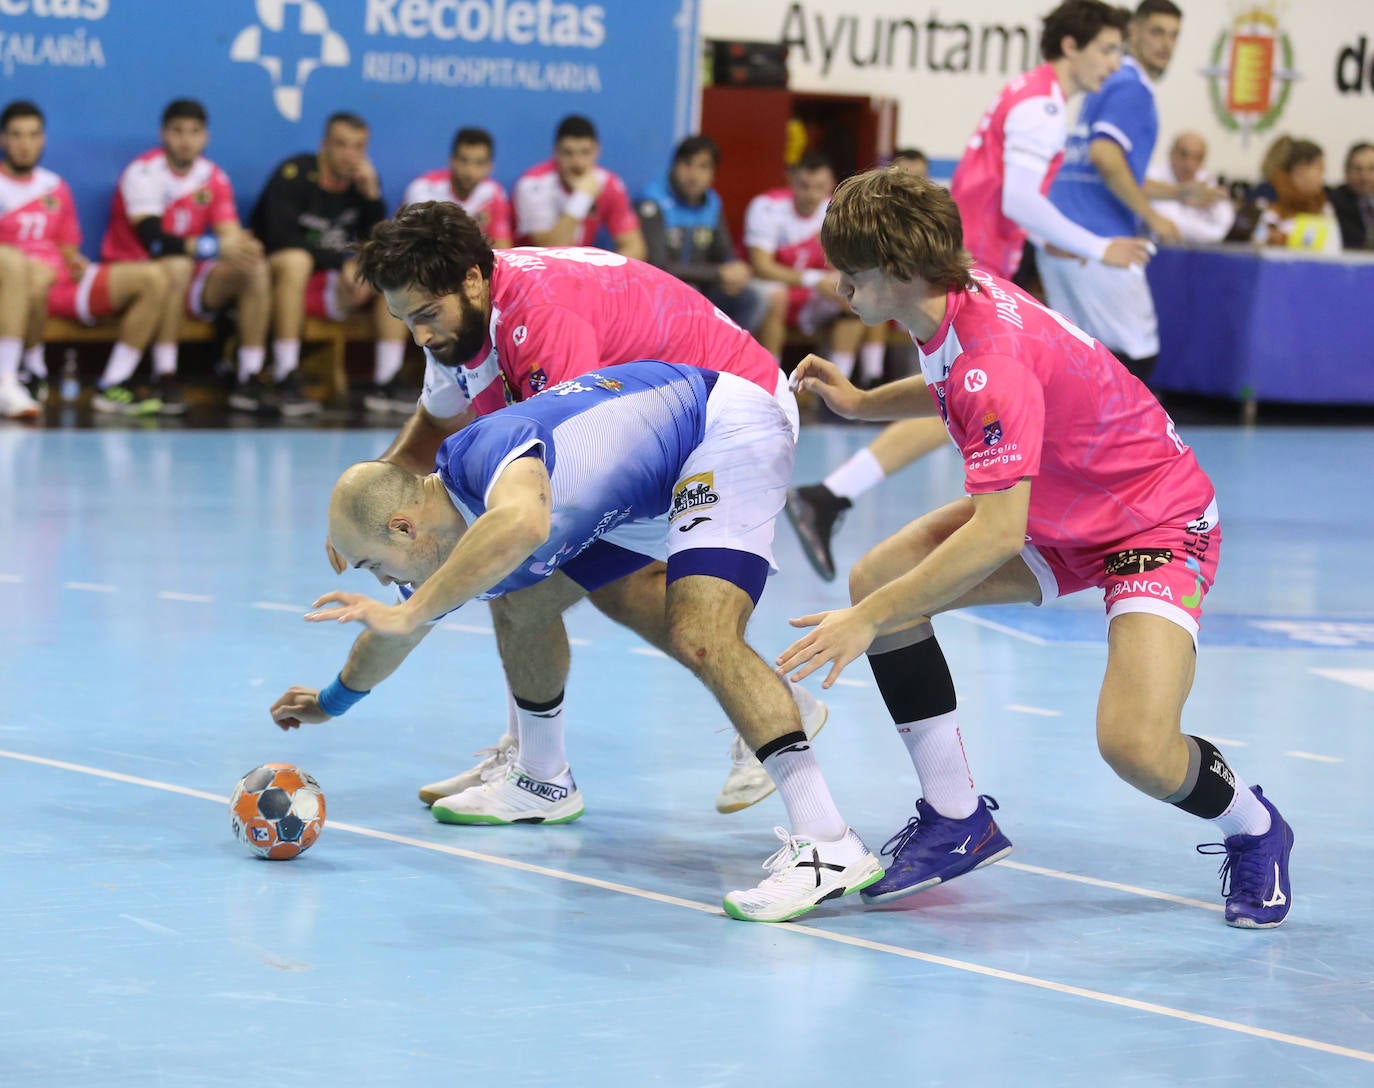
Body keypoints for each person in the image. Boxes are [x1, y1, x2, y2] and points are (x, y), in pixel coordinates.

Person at [776, 166, 1294, 930]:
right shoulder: (951, 299)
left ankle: (1255, 827)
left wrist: (864, 623)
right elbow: (953, 383)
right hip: (1061, 507)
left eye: (851, 274)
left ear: (901, 271)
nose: (838, 288)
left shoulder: (994, 357)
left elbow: (995, 530)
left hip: (1152, 522)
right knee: (879, 576)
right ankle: (957, 817)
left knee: (1136, 746)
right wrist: (861, 404)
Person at [272, 359, 882, 922]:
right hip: (644, 491)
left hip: (719, 428)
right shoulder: (437, 544)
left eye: (371, 564)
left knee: (701, 632)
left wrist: (408, 615)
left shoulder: (481, 454)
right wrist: (330, 702)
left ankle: (829, 842)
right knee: (521, 600)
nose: (381, 581)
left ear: (403, 526)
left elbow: (524, 523)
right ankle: (542, 780)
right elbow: (393, 635)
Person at [337, 201, 824, 817]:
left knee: (524, 574)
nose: (422, 336)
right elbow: (424, 436)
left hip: (732, 415)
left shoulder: (543, 320)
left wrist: (416, 608)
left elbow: (572, 461)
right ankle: (539, 770)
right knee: (566, 586)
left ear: (471, 279)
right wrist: (362, 516)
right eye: (407, 320)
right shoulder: (457, 320)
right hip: (665, 418)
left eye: (427, 316)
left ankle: (543, 773)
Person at [785, 0, 1150, 582]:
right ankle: (836, 496)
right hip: (962, 260)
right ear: (1072, 46)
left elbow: (1014, 197)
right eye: (1108, 48)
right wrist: (1098, 248)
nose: (1116, 62)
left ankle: (833, 494)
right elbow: (1021, 199)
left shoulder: (1028, 92)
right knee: (978, 390)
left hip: (975, 254)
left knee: (970, 392)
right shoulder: (1045, 105)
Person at [1039, 0, 1186, 386]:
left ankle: (1075, 443)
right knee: (1137, 354)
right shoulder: (1131, 86)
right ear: (1132, 32)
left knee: (1080, 357)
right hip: (1101, 242)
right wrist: (1152, 217)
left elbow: (1113, 167)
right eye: (1156, 32)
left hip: (1062, 235)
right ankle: (1127, 445)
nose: (1165, 44)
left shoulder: (1107, 81)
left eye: (1173, 36)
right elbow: (1106, 157)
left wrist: (1180, 194)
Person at [100, 98, 270, 415]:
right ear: (164, 134)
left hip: (190, 279)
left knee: (254, 268)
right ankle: (165, 373)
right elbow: (154, 243)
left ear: (205, 137)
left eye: (194, 132)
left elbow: (228, 233)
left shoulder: (212, 176)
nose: (186, 140)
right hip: (138, 271)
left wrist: (243, 247)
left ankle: (250, 377)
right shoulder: (144, 172)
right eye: (177, 131)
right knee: (175, 265)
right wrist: (216, 247)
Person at [0, 99, 165, 419]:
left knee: (154, 279)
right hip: (15, 284)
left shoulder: (55, 187)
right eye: (17, 135)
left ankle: (113, 384)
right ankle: (15, 375)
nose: (24, 144)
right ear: (3, 139)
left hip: (59, 283)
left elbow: (66, 249)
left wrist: (76, 263)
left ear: (43, 140)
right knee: (26, 274)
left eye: (33, 135)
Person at [246, 111, 388, 416]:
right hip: (271, 281)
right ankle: (285, 373)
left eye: (358, 147)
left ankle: (387, 380)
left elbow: (379, 243)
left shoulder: (361, 186)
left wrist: (373, 198)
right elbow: (280, 237)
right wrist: (342, 263)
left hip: (329, 286)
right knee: (297, 260)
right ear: (324, 145)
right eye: (341, 144)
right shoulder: (295, 174)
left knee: (393, 273)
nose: (350, 155)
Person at [368, 127, 514, 416]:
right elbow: (408, 254)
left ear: (489, 167)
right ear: (451, 160)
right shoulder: (423, 190)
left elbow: (502, 253)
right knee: (402, 296)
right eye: (464, 160)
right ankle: (386, 380)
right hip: (424, 278)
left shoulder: (493, 194)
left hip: (464, 281)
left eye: (478, 162)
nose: (470, 170)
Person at [745, 152, 889, 379]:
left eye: (819, 187)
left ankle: (861, 381)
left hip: (815, 296)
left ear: (831, 184)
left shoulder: (837, 209)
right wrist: (814, 279)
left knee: (863, 296)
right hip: (781, 293)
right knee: (775, 296)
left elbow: (846, 263)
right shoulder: (766, 207)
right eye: (804, 186)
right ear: (791, 180)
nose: (811, 194)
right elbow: (761, 266)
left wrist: (837, 281)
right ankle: (769, 383)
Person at [636, 134, 785, 349]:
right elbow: (658, 265)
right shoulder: (652, 201)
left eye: (703, 167)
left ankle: (727, 357)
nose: (693, 175)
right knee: (688, 292)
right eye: (687, 164)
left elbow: (724, 253)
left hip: (703, 287)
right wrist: (718, 273)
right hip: (660, 290)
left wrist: (736, 270)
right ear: (674, 166)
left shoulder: (712, 202)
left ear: (713, 174)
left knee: (754, 296)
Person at [512, 114, 645, 259]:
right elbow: (549, 252)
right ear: (555, 152)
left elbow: (635, 249)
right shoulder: (534, 184)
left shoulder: (609, 184)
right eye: (568, 153)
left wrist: (601, 273)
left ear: (597, 151)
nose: (577, 163)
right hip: (532, 269)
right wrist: (581, 198)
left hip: (581, 271)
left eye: (585, 152)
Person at [1252, 136, 1341, 254]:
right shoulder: (1267, 199)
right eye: (1319, 168)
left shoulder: (1323, 207)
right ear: (1301, 167)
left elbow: (1334, 249)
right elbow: (1256, 243)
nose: (1322, 176)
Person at [1146, 131, 1236, 244]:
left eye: (1197, 158)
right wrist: (1183, 196)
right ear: (1171, 153)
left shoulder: (1205, 179)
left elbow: (1223, 223)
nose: (1189, 164)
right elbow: (1174, 225)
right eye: (1184, 154)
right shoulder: (1151, 178)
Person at [1330, 141, 1374, 251]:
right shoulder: (1333, 201)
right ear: (1346, 171)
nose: (1365, 177)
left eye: (1371, 169)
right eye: (1358, 169)